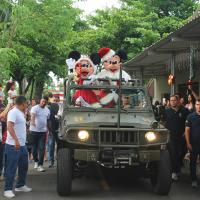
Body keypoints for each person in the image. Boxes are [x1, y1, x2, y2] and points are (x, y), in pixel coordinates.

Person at [4, 96, 32, 198]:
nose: (27, 105)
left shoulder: (21, 112)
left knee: (24, 166)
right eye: (26, 103)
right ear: (22, 103)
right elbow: (9, 126)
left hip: (22, 145)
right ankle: (7, 189)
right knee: (11, 168)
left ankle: (20, 185)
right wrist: (16, 140)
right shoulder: (13, 112)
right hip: (13, 145)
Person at [162, 95, 189, 181]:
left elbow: (188, 122)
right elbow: (162, 122)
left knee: (180, 153)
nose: (172, 102)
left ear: (178, 101)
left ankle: (177, 169)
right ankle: (174, 171)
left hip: (181, 136)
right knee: (173, 153)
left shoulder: (185, 111)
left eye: (174, 100)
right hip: (170, 136)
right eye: (171, 100)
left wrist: (185, 132)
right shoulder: (166, 111)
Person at [30, 98, 50, 172]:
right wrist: (32, 122)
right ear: (40, 101)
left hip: (43, 132)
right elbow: (33, 115)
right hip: (33, 131)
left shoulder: (47, 110)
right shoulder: (34, 108)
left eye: (45, 101)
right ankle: (36, 161)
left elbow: (47, 120)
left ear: (46, 103)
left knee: (42, 148)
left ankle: (40, 165)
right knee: (34, 148)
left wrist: (48, 129)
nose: (43, 102)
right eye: (42, 101)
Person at [185, 99, 200, 188]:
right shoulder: (190, 116)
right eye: (198, 104)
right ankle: (193, 179)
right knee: (193, 162)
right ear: (195, 105)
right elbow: (187, 130)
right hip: (194, 143)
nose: (199, 106)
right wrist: (188, 143)